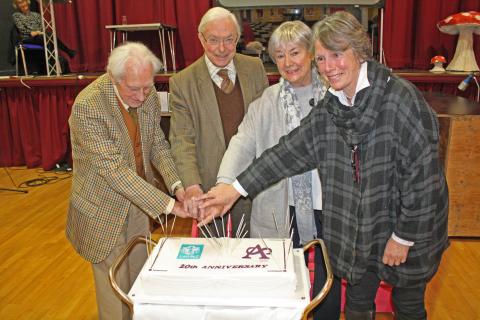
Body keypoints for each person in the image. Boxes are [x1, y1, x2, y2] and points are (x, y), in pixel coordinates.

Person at [200, 11, 449, 320]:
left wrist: (403, 237)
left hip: (405, 226)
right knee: (357, 307)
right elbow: (286, 152)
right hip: (362, 228)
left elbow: (424, 180)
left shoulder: (400, 100)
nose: (329, 67)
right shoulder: (331, 107)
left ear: (358, 51)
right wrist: (233, 190)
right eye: (321, 59)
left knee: (409, 306)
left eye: (337, 54)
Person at [215, 20, 341, 319]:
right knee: (281, 274)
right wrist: (224, 184)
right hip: (282, 204)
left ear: (311, 53)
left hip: (330, 203)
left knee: (329, 274)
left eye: (295, 52)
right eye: (280, 55)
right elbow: (242, 142)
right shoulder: (267, 102)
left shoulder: (334, 95)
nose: (288, 62)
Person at [66, 42, 189, 320]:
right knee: (114, 293)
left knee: (139, 283)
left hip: (138, 203)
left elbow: (157, 144)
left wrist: (176, 186)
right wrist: (170, 206)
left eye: (148, 87)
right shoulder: (88, 106)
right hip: (101, 211)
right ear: (113, 77)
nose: (142, 95)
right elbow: (114, 172)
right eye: (134, 88)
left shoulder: (147, 95)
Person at [168, 7, 269, 232]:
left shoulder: (255, 68)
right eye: (213, 40)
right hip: (209, 193)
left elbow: (266, 126)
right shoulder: (183, 83)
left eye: (229, 40)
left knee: (257, 258)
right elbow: (182, 140)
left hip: (254, 186)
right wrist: (192, 187)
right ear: (201, 39)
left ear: (238, 39)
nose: (222, 49)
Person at [12, 0, 76, 59]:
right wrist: (32, 32)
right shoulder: (16, 15)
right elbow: (22, 29)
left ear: (27, 2)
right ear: (17, 6)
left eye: (23, 2)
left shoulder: (36, 15)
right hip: (27, 38)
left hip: (39, 36)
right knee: (48, 36)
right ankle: (67, 51)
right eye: (19, 3)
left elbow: (41, 27)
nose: (22, 4)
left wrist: (37, 32)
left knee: (49, 37)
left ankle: (54, 62)